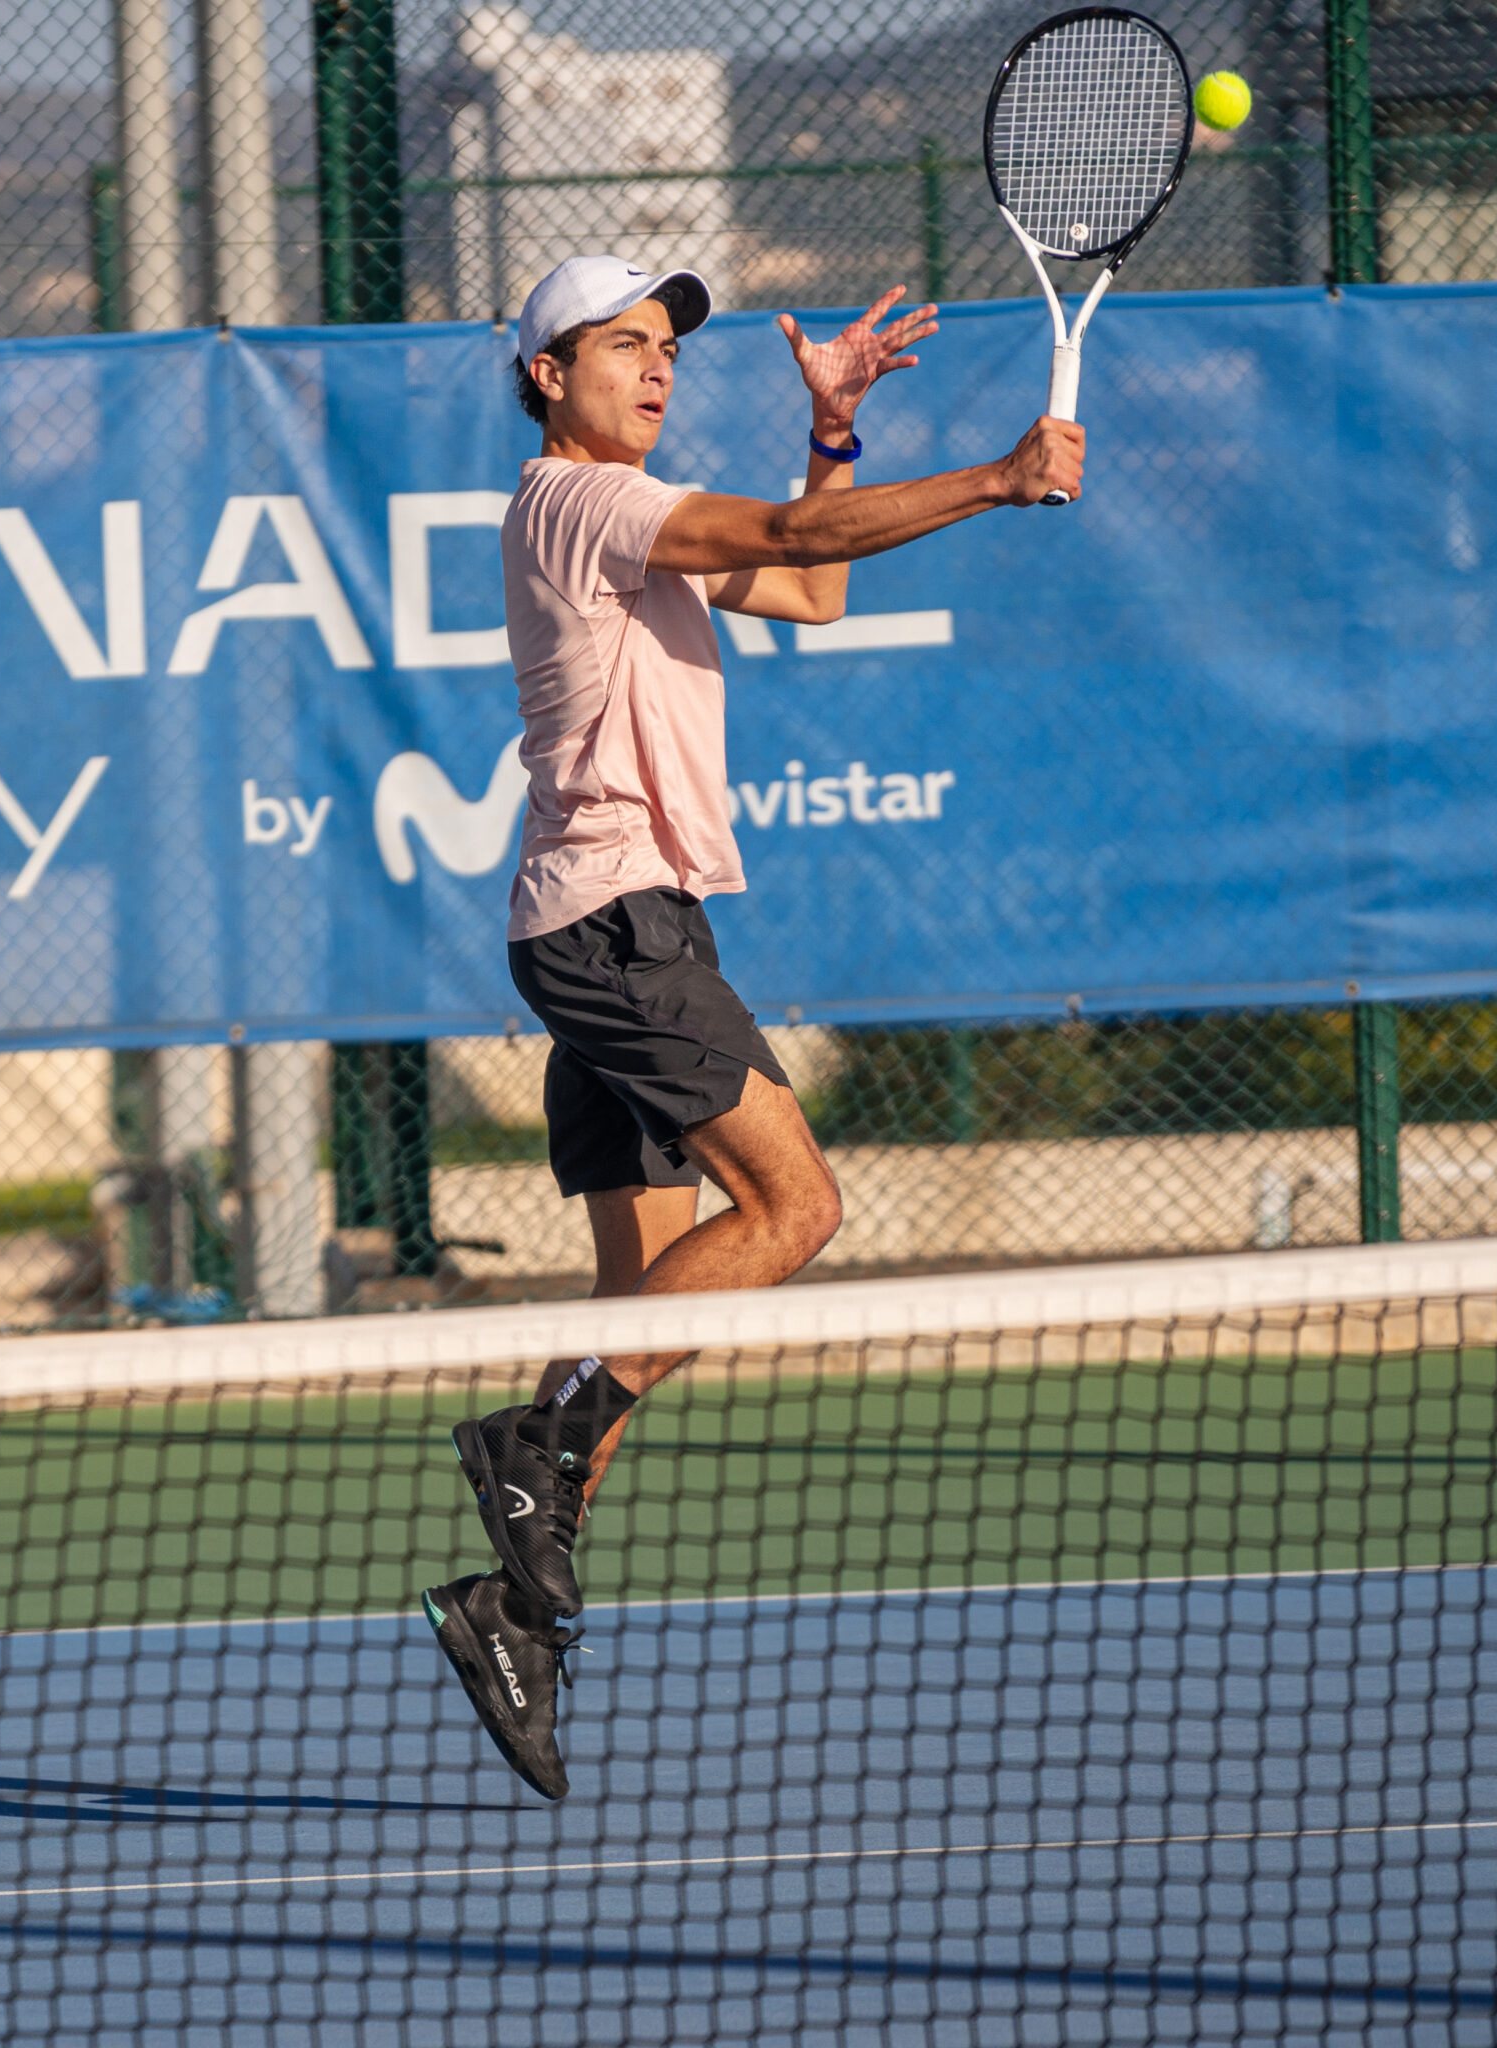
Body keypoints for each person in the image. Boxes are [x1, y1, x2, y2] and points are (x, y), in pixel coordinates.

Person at [423, 255, 1085, 1799]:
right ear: (545, 377)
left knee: (641, 1302)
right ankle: (534, 1453)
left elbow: (808, 581)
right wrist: (994, 477)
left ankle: (511, 1609)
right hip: (617, 934)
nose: (655, 370)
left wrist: (837, 429)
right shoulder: (577, 503)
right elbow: (785, 539)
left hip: (609, 933)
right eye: (621, 348)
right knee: (796, 1206)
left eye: (667, 349)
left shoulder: (628, 522)